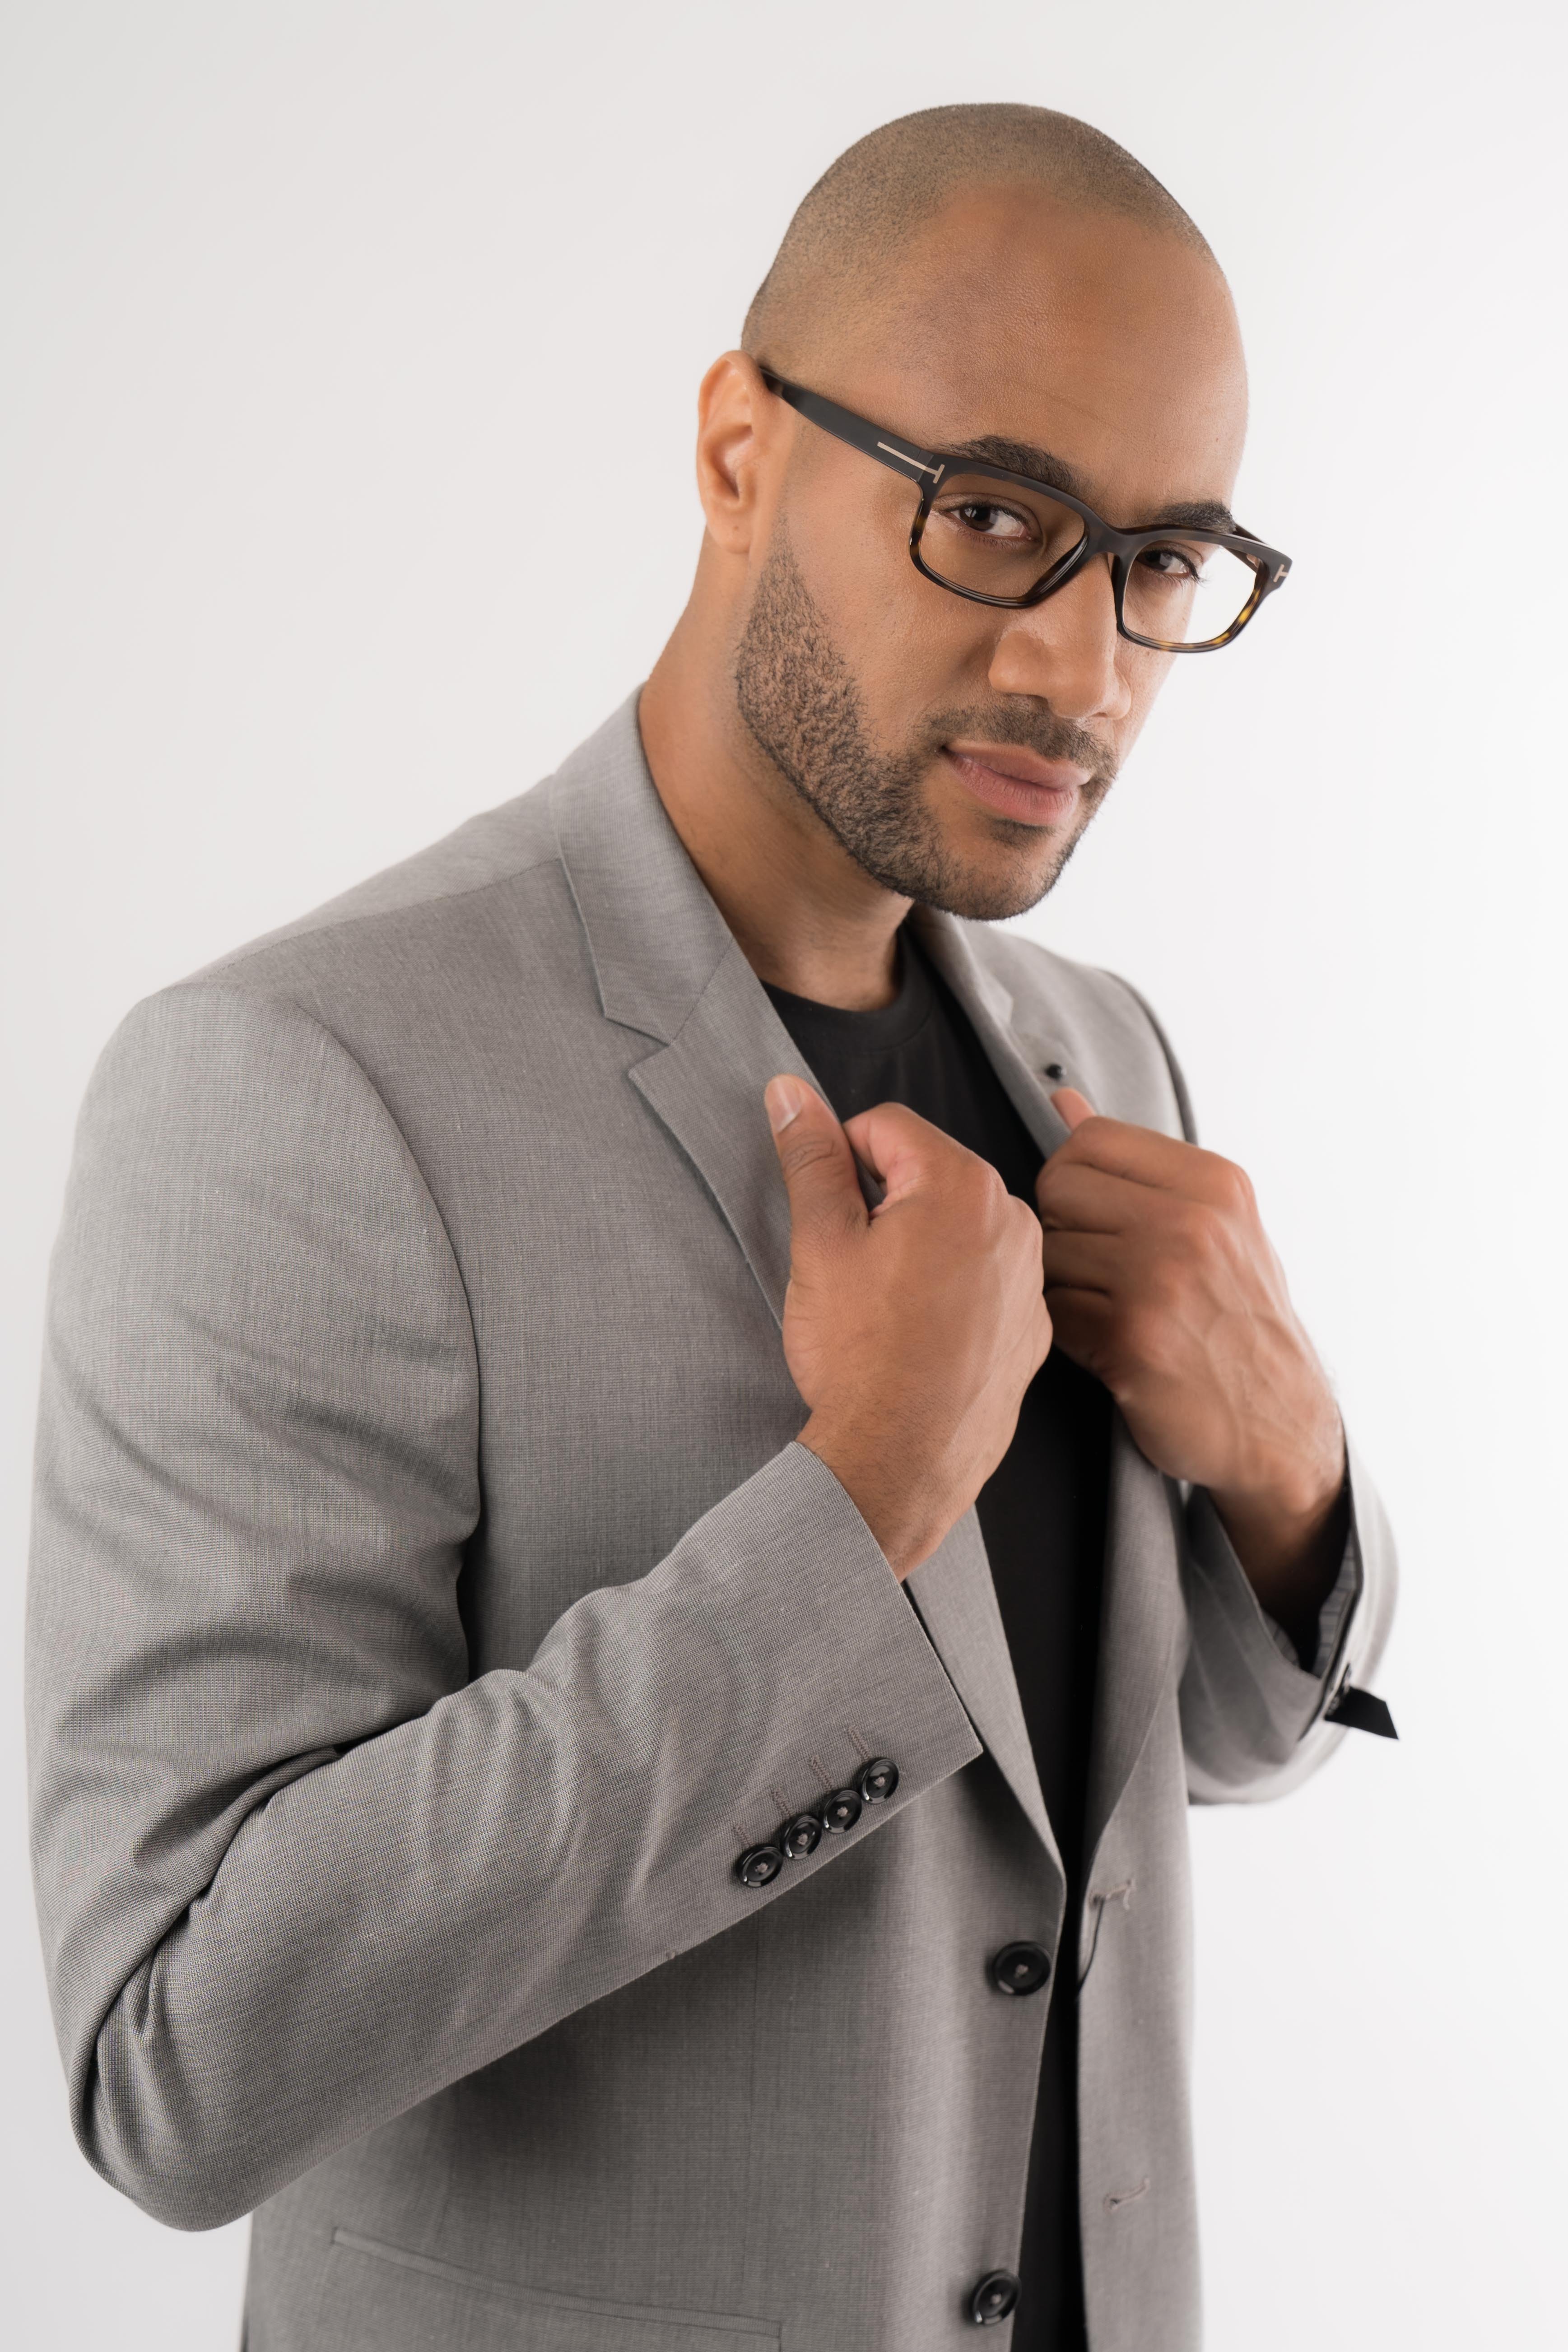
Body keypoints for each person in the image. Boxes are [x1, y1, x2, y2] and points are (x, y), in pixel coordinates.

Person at [27, 103, 1396, 2352]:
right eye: (991, 516)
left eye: (1160, 561)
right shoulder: (298, 1080)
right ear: (738, 450)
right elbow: (177, 2063)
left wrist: (1286, 1472)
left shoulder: (1101, 1055)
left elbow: (1199, 1752)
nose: (1084, 668)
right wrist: (853, 1511)